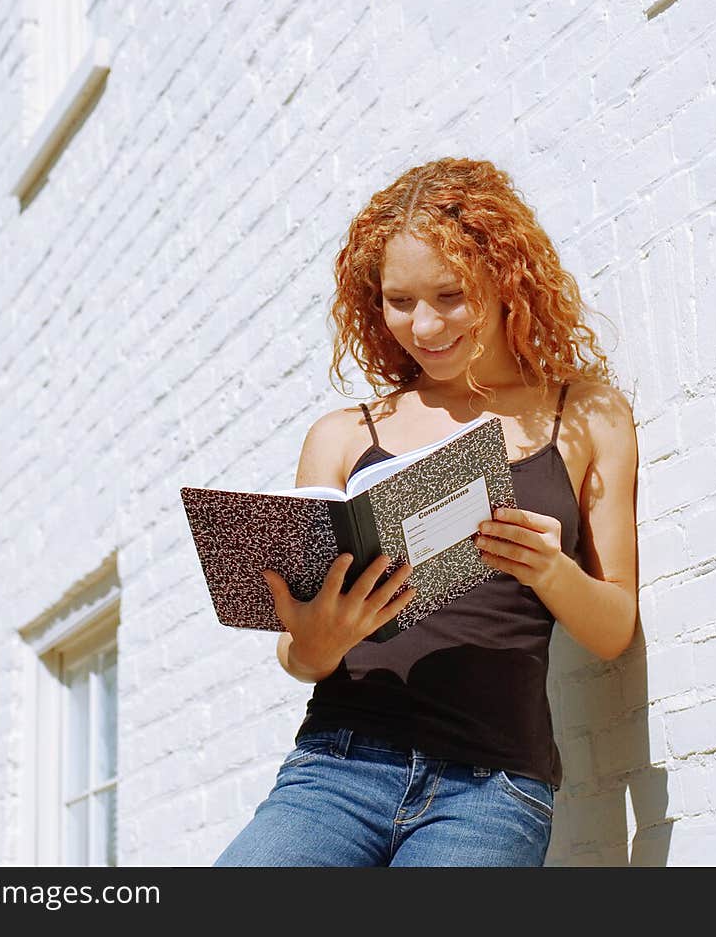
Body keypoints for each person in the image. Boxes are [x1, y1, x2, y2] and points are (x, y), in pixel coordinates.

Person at [212, 156, 639, 868]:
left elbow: (613, 629)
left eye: (451, 294)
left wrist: (549, 568)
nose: (425, 324)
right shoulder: (344, 435)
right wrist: (319, 639)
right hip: (335, 771)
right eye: (399, 300)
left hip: (492, 789)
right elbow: (299, 657)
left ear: (506, 281)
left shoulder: (587, 416)